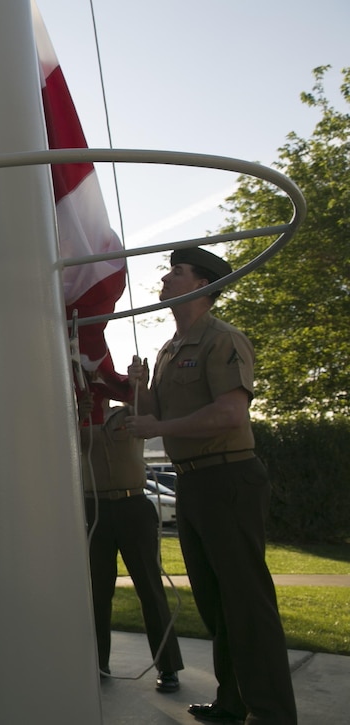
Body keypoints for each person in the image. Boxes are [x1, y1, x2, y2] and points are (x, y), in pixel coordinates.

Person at [125, 248, 297, 724]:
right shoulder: (169, 348)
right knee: (216, 603)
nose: (165, 277)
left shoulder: (223, 340)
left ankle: (273, 714)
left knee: (247, 603)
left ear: (203, 285)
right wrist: (136, 385)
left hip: (229, 478)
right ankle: (232, 702)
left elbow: (229, 413)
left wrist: (159, 429)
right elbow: (155, 411)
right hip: (196, 485)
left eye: (176, 272)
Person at [77, 387, 184, 691]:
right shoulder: (78, 418)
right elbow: (59, 443)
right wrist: (79, 413)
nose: (95, 385)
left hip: (133, 504)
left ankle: (168, 666)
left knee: (150, 587)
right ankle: (97, 663)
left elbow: (153, 414)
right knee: (97, 591)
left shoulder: (129, 413)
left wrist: (140, 383)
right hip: (94, 507)